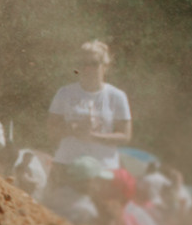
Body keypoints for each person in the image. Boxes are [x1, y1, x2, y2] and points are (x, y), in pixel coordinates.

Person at [48, 39, 132, 172]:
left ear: (105, 66)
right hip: (67, 164)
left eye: (94, 64)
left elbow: (125, 136)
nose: (88, 68)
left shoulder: (116, 96)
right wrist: (73, 129)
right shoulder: (64, 93)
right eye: (83, 64)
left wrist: (94, 137)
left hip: (104, 167)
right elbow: (51, 130)